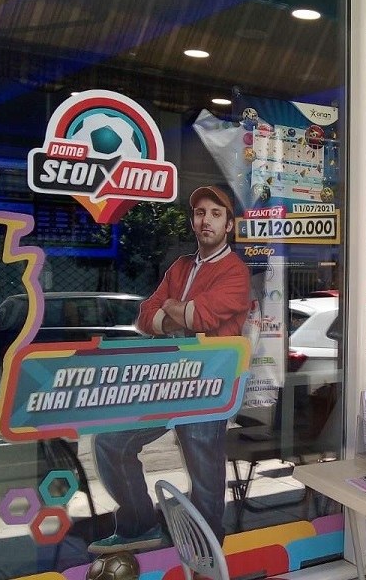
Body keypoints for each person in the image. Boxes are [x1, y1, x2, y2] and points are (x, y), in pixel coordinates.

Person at [90, 185, 250, 553]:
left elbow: (200, 316)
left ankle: (207, 548)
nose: (206, 220)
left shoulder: (235, 272)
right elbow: (145, 317)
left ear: (229, 225)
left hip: (210, 383)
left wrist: (175, 311)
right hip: (168, 381)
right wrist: (177, 315)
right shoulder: (180, 267)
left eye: (215, 214)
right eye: (200, 213)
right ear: (193, 221)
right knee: (110, 442)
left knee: (204, 470)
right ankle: (139, 526)